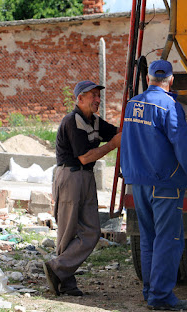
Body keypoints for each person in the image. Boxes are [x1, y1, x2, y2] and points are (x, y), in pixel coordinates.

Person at [120, 60, 187, 311]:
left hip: (138, 181)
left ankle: (150, 292)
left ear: (148, 79)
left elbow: (127, 140)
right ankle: (160, 295)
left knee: (148, 238)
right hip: (164, 184)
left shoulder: (132, 104)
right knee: (168, 239)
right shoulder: (169, 105)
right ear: (170, 81)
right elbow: (182, 144)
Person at [43, 80, 121, 296]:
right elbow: (85, 157)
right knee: (67, 232)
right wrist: (113, 144)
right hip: (71, 176)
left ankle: (57, 268)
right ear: (80, 99)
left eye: (99, 95)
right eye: (93, 95)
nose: (98, 99)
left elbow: (116, 131)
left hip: (86, 178)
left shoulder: (93, 120)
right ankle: (65, 283)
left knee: (92, 231)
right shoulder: (72, 121)